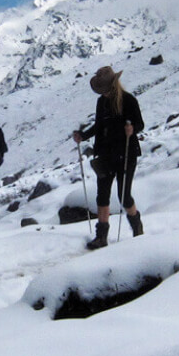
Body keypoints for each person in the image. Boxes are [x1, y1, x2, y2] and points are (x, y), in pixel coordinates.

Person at [73, 66, 145, 249]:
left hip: (126, 153)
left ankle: (137, 225)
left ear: (112, 86)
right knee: (102, 194)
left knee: (124, 195)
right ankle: (101, 236)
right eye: (100, 91)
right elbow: (98, 126)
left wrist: (132, 129)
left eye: (104, 90)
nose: (102, 94)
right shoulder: (101, 102)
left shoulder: (128, 100)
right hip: (105, 154)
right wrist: (83, 135)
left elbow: (139, 123)